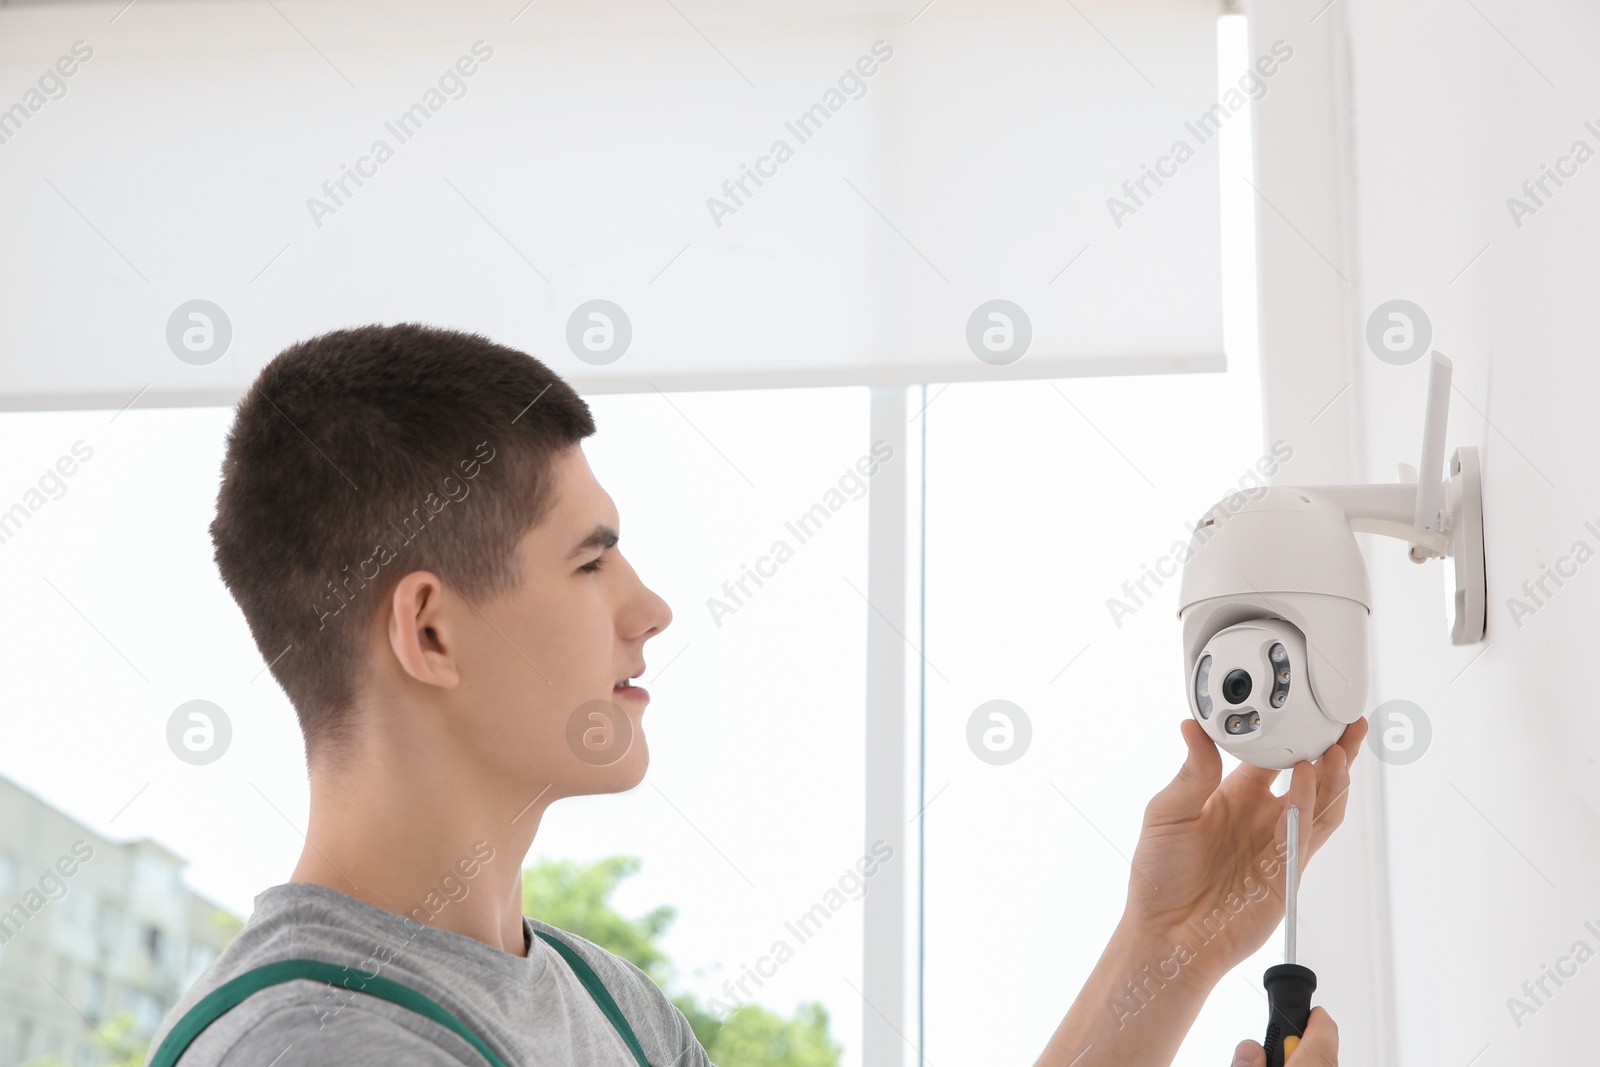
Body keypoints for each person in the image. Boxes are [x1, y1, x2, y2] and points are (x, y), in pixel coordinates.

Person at [148, 322, 1367, 1066]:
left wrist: (1173, 948)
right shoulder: (317, 1044)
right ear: (429, 627)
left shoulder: (602, 1005)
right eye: (590, 559)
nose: (649, 605)